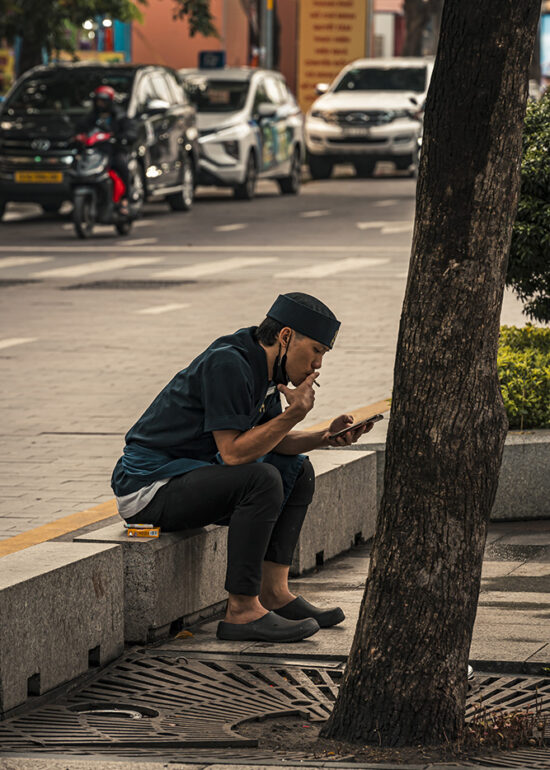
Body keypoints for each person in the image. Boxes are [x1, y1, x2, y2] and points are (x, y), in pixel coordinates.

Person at [111, 293, 373, 642]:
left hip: (190, 476)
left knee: (297, 471)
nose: (317, 364)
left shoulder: (266, 369)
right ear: (286, 337)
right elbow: (234, 454)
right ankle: (242, 611)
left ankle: (273, 593)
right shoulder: (229, 363)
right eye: (316, 350)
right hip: (149, 488)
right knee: (261, 479)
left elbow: (273, 441)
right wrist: (295, 413)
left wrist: (325, 436)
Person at [78, 85, 138, 214]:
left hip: (114, 151)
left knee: (122, 167)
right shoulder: (91, 117)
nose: (100, 104)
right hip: (96, 153)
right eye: (98, 100)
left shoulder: (120, 116)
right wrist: (77, 137)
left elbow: (131, 131)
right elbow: (79, 130)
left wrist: (122, 137)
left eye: (103, 101)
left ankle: (124, 201)